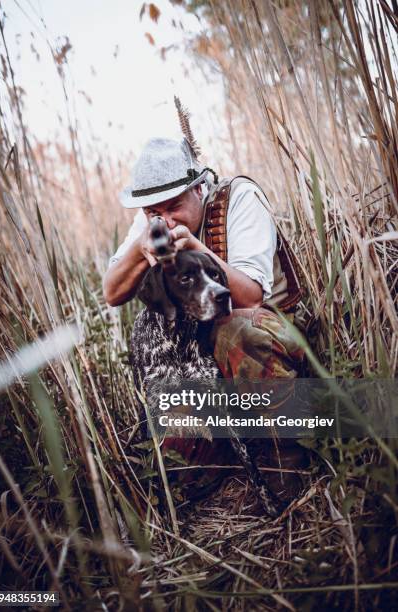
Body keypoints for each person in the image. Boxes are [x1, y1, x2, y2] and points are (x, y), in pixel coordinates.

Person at [103, 137, 307, 501]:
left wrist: (196, 248)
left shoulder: (238, 198)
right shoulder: (152, 217)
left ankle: (283, 457)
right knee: (180, 469)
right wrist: (140, 248)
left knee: (238, 330)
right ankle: (227, 453)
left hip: (263, 338)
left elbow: (251, 297)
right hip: (203, 359)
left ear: (199, 187)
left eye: (174, 207)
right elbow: (113, 293)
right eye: (154, 212)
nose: (165, 220)